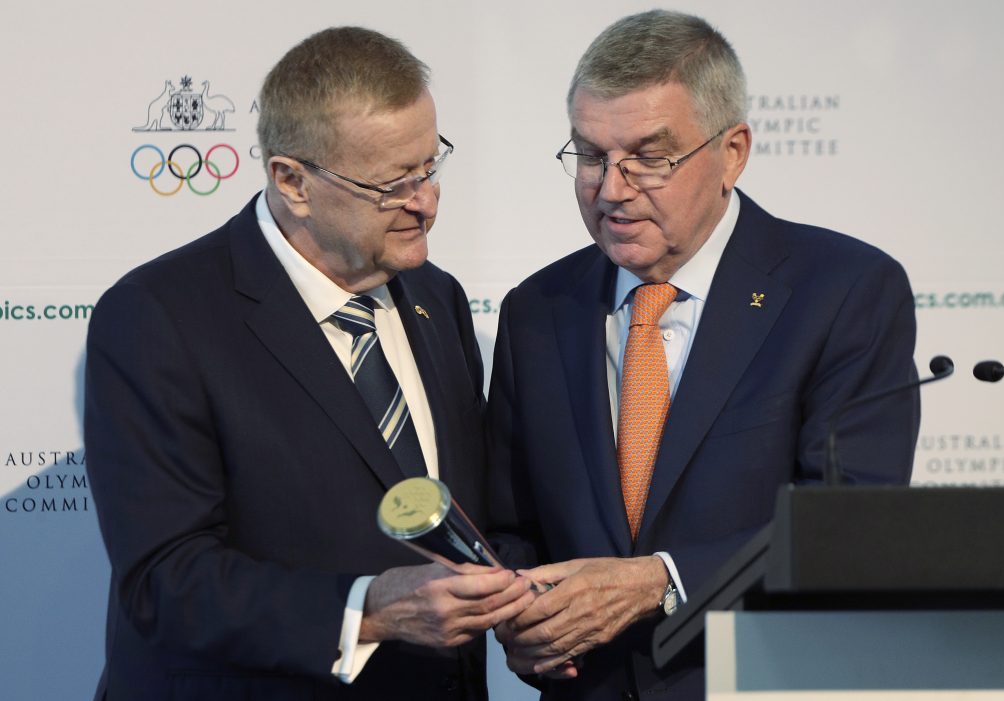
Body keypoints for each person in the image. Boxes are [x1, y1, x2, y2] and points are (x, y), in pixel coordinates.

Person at [85, 27, 532, 701]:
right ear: (292, 181)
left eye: (429, 165)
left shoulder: (436, 297)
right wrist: (369, 608)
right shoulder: (159, 318)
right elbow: (166, 580)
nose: (426, 200)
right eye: (391, 183)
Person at [487, 10, 919, 700]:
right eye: (591, 155)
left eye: (649, 158)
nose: (612, 188)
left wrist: (662, 579)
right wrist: (521, 613)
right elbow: (512, 522)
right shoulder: (537, 309)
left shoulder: (842, 291)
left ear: (733, 151)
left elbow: (848, 522)